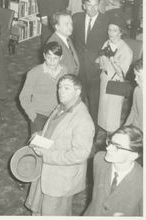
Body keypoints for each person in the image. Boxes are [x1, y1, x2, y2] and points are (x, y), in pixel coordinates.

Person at [25, 74, 95, 216]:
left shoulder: (83, 120)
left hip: (61, 179)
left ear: (78, 91)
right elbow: (56, 129)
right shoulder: (62, 107)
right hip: (47, 173)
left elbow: (80, 154)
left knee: (53, 213)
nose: (61, 91)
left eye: (67, 88)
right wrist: (40, 134)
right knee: (38, 211)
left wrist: (47, 155)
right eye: (60, 87)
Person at [84, 125, 143, 216]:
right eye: (110, 142)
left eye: (117, 147)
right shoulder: (99, 160)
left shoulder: (141, 180)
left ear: (133, 155)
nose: (108, 148)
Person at [72, 0, 110, 126]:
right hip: (78, 69)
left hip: (96, 72)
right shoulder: (76, 18)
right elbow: (70, 41)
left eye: (96, 5)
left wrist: (102, 56)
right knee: (76, 103)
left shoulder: (106, 21)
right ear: (83, 6)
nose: (93, 9)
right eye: (89, 5)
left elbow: (113, 44)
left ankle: (93, 134)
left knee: (94, 106)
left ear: (99, 5)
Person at [19, 41, 68, 135]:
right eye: (49, 57)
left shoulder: (64, 70)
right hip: (39, 115)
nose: (52, 61)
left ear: (61, 58)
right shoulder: (34, 73)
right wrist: (32, 116)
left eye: (55, 58)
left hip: (57, 114)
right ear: (44, 56)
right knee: (39, 145)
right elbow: (24, 96)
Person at [96, 15, 133, 135]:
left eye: (115, 30)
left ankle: (111, 140)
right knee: (103, 113)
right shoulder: (106, 43)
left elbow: (122, 74)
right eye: (109, 30)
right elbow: (101, 61)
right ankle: (103, 138)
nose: (111, 33)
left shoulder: (126, 50)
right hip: (105, 80)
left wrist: (112, 59)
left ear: (121, 32)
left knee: (113, 116)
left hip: (117, 84)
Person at [47, 11, 80, 75]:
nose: (70, 27)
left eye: (71, 24)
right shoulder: (53, 43)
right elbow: (53, 71)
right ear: (57, 26)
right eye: (66, 24)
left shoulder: (66, 37)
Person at [124, 58, 143, 130]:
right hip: (136, 129)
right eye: (135, 75)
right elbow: (134, 111)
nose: (135, 79)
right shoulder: (137, 90)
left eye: (139, 76)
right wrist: (125, 128)